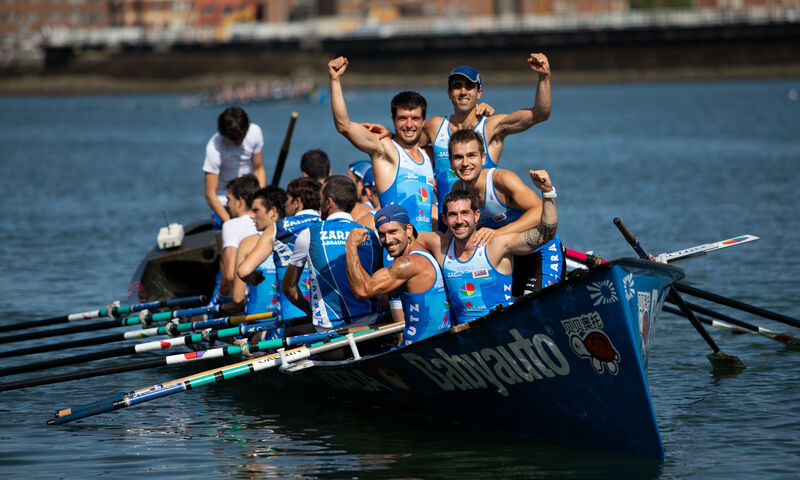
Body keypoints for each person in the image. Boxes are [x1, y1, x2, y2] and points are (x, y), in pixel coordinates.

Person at [415, 170, 557, 324]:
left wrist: (547, 193)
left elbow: (546, 234)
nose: (459, 220)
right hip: (464, 336)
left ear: (476, 216)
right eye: (453, 215)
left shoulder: (496, 245)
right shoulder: (438, 244)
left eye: (464, 213)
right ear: (445, 219)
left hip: (503, 328)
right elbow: (407, 238)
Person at [423, 54, 552, 214]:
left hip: (484, 220)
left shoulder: (492, 126)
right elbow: (405, 146)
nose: (463, 91)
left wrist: (544, 77)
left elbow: (540, 114)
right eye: (457, 86)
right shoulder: (434, 126)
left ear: (479, 92)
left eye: (469, 86)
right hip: (449, 218)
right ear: (449, 93)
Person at [449, 129, 564, 296]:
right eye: (458, 157)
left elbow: (539, 210)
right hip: (509, 259)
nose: (465, 163)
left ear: (483, 158)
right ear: (451, 163)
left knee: (533, 307)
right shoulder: (458, 190)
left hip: (540, 252)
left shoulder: (501, 180)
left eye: (471, 155)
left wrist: (498, 233)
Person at [329, 56, 436, 233]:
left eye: (415, 119)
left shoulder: (429, 155)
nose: (409, 125)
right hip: (397, 249)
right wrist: (335, 79)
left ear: (423, 120)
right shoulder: (385, 148)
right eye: (402, 119)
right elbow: (344, 126)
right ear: (393, 120)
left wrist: (482, 112)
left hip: (427, 251)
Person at [282, 175, 384, 332]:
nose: (319, 205)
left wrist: (311, 312)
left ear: (329, 202)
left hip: (329, 334)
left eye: (321, 199)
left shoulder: (309, 234)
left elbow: (288, 288)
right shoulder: (372, 235)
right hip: (371, 329)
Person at [345, 204, 450, 346]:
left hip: (419, 351)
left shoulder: (408, 263)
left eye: (393, 232)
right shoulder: (423, 249)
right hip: (433, 345)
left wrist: (350, 246)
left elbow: (363, 290)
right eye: (382, 235)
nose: (388, 240)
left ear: (408, 229)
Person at [238, 177, 323, 328]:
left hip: (292, 323)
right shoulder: (327, 224)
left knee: (258, 339)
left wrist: (253, 277)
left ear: (297, 202)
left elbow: (243, 271)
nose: (285, 204)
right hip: (327, 320)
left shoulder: (278, 228)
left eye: (288, 200)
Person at [203, 106, 265, 229]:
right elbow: (210, 194)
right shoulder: (214, 147)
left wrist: (260, 200)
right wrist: (230, 223)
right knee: (227, 241)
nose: (238, 142)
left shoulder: (255, 132)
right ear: (223, 134)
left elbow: (258, 168)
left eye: (241, 137)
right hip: (223, 200)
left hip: (247, 195)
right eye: (233, 139)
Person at [233, 186, 287, 319]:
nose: (251, 216)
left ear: (273, 211)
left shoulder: (248, 243)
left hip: (257, 324)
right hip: (293, 319)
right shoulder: (298, 238)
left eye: (256, 210)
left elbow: (237, 299)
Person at [216, 174, 261, 302]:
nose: (226, 204)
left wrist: (220, 298)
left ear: (240, 201)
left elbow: (230, 276)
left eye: (229, 199)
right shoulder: (267, 225)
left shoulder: (231, 225)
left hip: (243, 299)